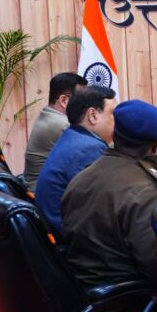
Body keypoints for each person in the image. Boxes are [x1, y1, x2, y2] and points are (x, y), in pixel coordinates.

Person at [61, 100, 157, 290]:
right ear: (155, 146)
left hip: (82, 286)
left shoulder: (81, 177)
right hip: (130, 297)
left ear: (115, 135)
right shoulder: (149, 192)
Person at [36, 86, 116, 235]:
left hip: (59, 227)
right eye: (113, 114)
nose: (118, 120)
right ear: (93, 115)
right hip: (72, 237)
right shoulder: (89, 148)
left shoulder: (73, 135)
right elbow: (104, 205)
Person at [23, 73, 87, 191]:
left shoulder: (49, 115)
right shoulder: (62, 124)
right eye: (82, 100)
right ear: (64, 100)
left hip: (37, 187)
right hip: (43, 192)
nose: (86, 106)